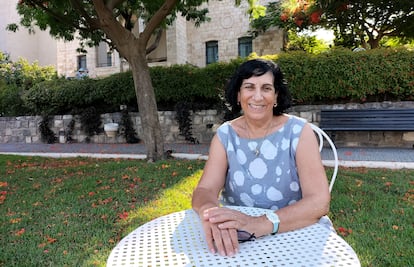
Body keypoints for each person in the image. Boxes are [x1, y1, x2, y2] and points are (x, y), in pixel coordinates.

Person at [192, 58, 332, 257]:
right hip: (240, 239)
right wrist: (211, 214)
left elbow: (319, 201)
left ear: (276, 96)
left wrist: (258, 224)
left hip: (295, 232)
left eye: (266, 88)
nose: (257, 96)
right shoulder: (225, 135)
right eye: (249, 87)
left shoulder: (298, 131)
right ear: (239, 95)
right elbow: (205, 189)